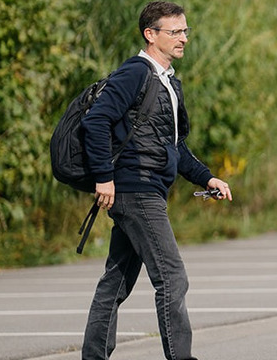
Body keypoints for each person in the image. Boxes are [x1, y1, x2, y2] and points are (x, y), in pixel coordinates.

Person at [80, 2, 230, 359]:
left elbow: (175, 146)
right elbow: (96, 121)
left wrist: (207, 177)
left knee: (115, 282)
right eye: (175, 32)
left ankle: (93, 356)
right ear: (150, 34)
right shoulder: (136, 72)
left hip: (146, 190)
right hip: (136, 189)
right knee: (172, 277)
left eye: (185, 31)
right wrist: (104, 177)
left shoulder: (168, 81)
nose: (184, 38)